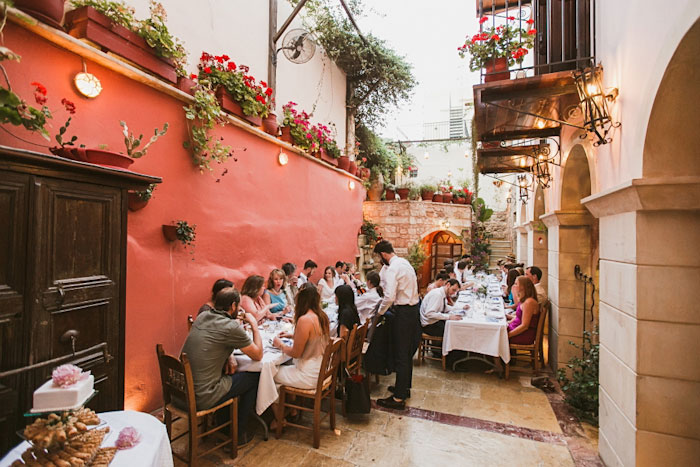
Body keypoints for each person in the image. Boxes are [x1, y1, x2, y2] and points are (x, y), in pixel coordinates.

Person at [182, 287, 263, 446]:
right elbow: (258, 355)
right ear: (233, 306)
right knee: (254, 376)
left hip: (182, 392)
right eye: (238, 306)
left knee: (229, 373)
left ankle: (222, 424)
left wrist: (229, 356)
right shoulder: (230, 327)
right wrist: (254, 325)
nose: (239, 309)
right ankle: (239, 433)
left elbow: (214, 341)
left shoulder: (203, 316)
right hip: (203, 396)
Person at [373, 240, 419, 410]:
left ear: (383, 255)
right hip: (413, 310)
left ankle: (398, 398)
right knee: (406, 353)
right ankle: (404, 387)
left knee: (401, 354)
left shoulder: (393, 268)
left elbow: (390, 296)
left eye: (379, 257)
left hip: (404, 313)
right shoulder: (404, 263)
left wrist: (380, 312)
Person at [273, 286, 330, 389]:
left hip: (308, 374)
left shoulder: (305, 320)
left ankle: (277, 404)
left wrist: (280, 345)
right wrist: (292, 336)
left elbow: (296, 353)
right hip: (321, 368)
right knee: (279, 367)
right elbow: (313, 338)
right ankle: (286, 400)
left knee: (268, 374)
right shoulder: (322, 316)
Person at [508, 276, 540, 345]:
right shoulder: (524, 300)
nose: (514, 286)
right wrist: (508, 324)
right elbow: (517, 317)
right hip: (515, 329)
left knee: (494, 337)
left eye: (516, 284)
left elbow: (524, 326)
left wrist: (508, 335)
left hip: (523, 335)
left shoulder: (529, 302)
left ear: (523, 287)